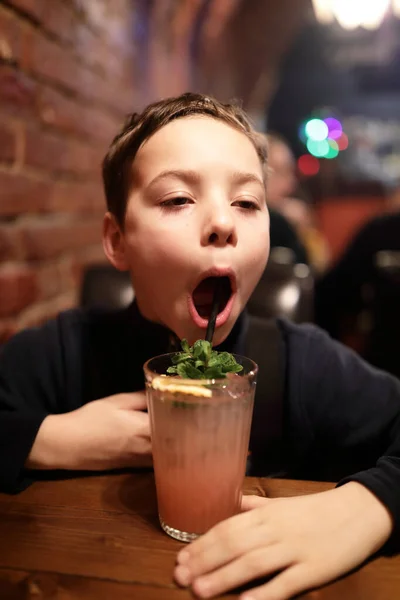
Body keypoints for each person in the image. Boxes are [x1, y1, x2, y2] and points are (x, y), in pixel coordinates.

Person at [0, 92, 399, 600]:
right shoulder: (62, 352)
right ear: (117, 239)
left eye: (247, 202)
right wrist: (53, 440)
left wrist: (369, 505)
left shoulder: (300, 364)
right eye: (178, 200)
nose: (223, 223)